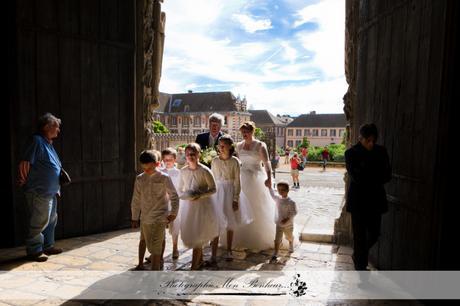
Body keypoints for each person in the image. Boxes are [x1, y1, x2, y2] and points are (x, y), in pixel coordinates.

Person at [17, 113, 64, 262]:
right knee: (40, 221)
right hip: (38, 191)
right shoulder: (37, 141)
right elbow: (25, 163)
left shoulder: (48, 143)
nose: (58, 130)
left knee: (51, 220)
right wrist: (23, 179)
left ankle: (48, 246)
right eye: (56, 126)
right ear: (46, 127)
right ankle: (34, 250)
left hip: (50, 191)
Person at [345, 123, 391, 270]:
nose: (371, 143)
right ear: (360, 138)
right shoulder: (351, 153)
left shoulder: (381, 151)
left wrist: (367, 173)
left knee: (374, 234)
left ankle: (358, 255)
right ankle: (361, 268)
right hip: (358, 201)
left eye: (373, 140)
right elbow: (356, 177)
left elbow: (387, 175)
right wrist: (374, 175)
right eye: (368, 140)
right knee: (359, 236)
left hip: (376, 200)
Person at [131, 150, 179, 270]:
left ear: (157, 164)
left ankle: (155, 274)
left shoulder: (164, 178)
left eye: (149, 168)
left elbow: (174, 196)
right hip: (145, 218)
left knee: (156, 249)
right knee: (144, 241)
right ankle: (141, 264)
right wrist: (134, 217)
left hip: (160, 218)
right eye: (144, 168)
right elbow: (136, 200)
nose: (146, 171)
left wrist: (173, 213)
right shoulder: (140, 179)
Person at [232, 121, 276, 251]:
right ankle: (240, 237)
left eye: (247, 132)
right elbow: (237, 162)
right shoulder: (239, 146)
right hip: (242, 177)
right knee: (241, 206)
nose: (245, 134)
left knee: (256, 206)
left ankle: (258, 238)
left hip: (256, 178)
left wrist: (269, 177)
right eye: (243, 132)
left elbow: (266, 162)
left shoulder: (260, 145)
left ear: (252, 131)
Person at [210, 135, 253, 262]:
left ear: (230, 147)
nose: (221, 148)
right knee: (216, 222)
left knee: (230, 222)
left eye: (223, 146)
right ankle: (213, 252)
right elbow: (212, 179)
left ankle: (229, 250)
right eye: (219, 145)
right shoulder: (215, 161)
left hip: (229, 192)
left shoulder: (234, 162)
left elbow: (237, 181)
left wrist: (235, 198)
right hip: (218, 192)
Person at [177, 143, 219, 270]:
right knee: (193, 233)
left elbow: (213, 189)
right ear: (185, 155)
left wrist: (199, 195)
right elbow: (179, 190)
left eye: (193, 154)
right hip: (189, 207)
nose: (190, 156)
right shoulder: (183, 171)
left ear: (199, 155)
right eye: (188, 154)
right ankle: (199, 261)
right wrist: (187, 196)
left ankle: (194, 267)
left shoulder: (205, 171)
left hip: (203, 207)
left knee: (198, 236)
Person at [267, 181, 297, 263]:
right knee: (277, 239)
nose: (280, 191)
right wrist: (269, 187)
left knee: (288, 236)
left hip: (288, 225)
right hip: (279, 224)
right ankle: (276, 252)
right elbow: (272, 195)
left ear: (287, 190)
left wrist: (287, 219)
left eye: (283, 190)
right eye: (279, 190)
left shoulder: (291, 202)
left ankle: (291, 242)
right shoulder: (278, 199)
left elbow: (294, 212)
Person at [160, 148, 181, 260]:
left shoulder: (178, 173)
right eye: (166, 159)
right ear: (162, 159)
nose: (168, 162)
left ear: (175, 160)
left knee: (175, 226)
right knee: (160, 226)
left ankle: (175, 247)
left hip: (174, 202)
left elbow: (180, 187)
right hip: (162, 202)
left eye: (170, 159)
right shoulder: (160, 172)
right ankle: (159, 250)